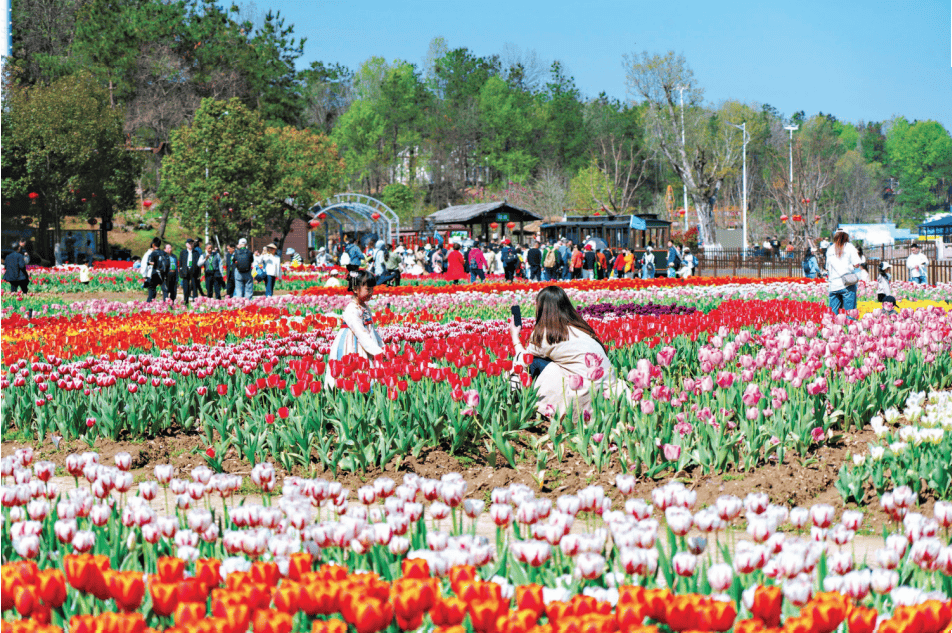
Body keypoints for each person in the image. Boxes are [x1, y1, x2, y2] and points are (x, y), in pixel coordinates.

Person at [509, 285, 627, 416]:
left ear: (541, 309)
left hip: (581, 400)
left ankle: (517, 400)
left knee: (533, 362)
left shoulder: (548, 334)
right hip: (607, 396)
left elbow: (523, 358)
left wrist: (515, 336)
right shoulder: (581, 329)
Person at [325, 270, 385, 389]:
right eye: (368, 289)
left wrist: (381, 345)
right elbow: (360, 332)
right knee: (354, 369)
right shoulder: (351, 309)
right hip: (352, 344)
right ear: (356, 289)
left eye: (372, 289)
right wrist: (377, 351)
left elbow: (372, 329)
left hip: (366, 342)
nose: (371, 292)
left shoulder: (365, 307)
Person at [825, 231, 862, 316]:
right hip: (847, 284)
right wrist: (850, 267)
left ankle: (833, 328)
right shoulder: (849, 247)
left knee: (833, 315)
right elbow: (857, 264)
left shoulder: (830, 249)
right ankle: (850, 328)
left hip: (833, 285)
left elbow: (827, 267)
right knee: (850, 313)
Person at [142, 238, 168, 303]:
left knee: (152, 291)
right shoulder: (163, 253)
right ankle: (166, 303)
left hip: (152, 274)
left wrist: (144, 275)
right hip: (162, 274)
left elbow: (144, 265)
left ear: (153, 245)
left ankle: (149, 304)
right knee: (164, 291)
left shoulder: (149, 253)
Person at [178, 239, 202, 306]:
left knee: (194, 286)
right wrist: (181, 272)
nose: (190, 245)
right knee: (186, 286)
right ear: (186, 244)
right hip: (186, 270)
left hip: (193, 270)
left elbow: (198, 264)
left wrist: (199, 273)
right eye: (189, 243)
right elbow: (180, 263)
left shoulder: (196, 252)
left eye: (192, 243)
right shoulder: (183, 252)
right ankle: (186, 301)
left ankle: (195, 301)